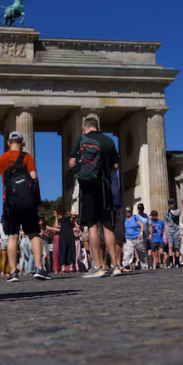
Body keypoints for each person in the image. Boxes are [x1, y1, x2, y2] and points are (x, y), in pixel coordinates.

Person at [69, 114, 122, 278]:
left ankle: (99, 266)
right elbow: (116, 165)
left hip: (89, 187)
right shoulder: (109, 141)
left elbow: (71, 163)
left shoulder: (82, 139)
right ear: (97, 127)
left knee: (92, 226)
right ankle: (116, 265)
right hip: (105, 186)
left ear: (85, 127)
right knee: (107, 225)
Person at [0, 131, 50, 282]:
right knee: (34, 234)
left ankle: (13, 272)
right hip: (28, 202)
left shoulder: (1, 159)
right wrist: (36, 199)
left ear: (8, 143)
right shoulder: (27, 157)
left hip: (10, 201)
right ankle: (39, 268)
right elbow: (34, 178)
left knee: (13, 236)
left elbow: (3, 176)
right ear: (23, 142)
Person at [164, 199, 182, 268]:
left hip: (177, 230)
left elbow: (180, 222)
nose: (171, 205)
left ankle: (177, 262)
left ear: (175, 203)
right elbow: (166, 223)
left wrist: (180, 232)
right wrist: (165, 234)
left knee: (177, 247)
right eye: (170, 203)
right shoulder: (167, 212)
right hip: (169, 231)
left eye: (172, 203)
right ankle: (171, 263)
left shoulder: (178, 212)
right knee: (170, 246)